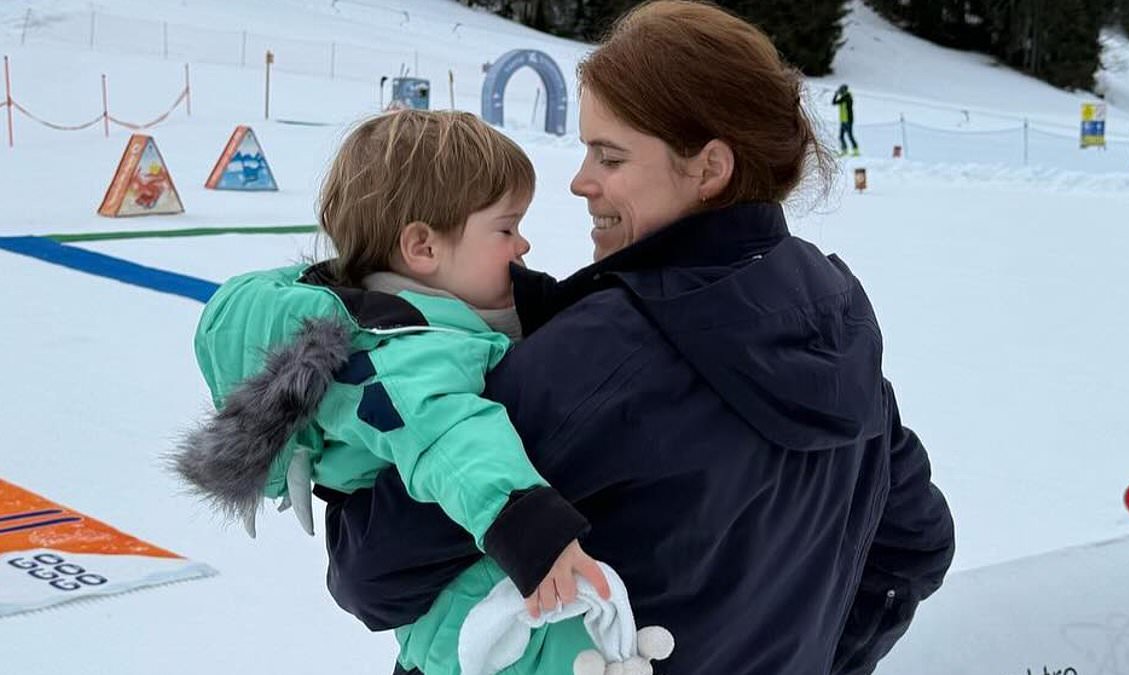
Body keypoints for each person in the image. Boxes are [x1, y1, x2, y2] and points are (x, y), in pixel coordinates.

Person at [326, 2, 955, 674]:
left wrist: (351, 451)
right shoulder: (833, 319)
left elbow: (371, 572)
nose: (580, 181)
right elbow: (914, 544)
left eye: (610, 155)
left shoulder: (608, 352)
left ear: (709, 169)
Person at [170, 109, 618, 671]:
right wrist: (529, 527)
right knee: (534, 640)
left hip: (444, 571)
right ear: (423, 248)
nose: (522, 245)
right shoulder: (403, 353)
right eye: (506, 229)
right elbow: (448, 435)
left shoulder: (415, 319)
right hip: (467, 593)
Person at [834, 83, 860, 157]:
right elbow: (834, 102)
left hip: (848, 120)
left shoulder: (848, 97)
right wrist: (835, 95)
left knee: (850, 135)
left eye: (841, 90)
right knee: (841, 136)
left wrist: (839, 94)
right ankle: (844, 150)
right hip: (843, 120)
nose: (840, 92)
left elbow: (844, 101)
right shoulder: (843, 98)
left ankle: (856, 150)